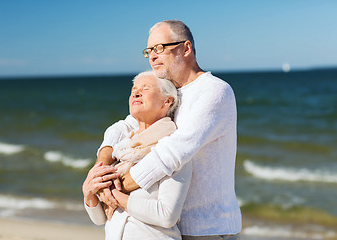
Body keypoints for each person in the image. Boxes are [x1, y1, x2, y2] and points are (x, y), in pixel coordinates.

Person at [92, 20, 242, 239]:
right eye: (149, 51)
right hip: (173, 230)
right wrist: (102, 165)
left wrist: (115, 187)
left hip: (210, 229)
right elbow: (124, 125)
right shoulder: (172, 93)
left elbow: (172, 154)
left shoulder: (214, 91)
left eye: (160, 48)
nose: (152, 56)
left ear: (186, 48)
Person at [83, 71, 192, 240]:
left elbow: (167, 215)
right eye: (134, 89)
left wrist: (117, 197)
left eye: (145, 88)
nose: (136, 92)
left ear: (167, 101)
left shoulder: (171, 149)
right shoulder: (123, 149)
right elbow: (100, 219)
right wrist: (88, 193)